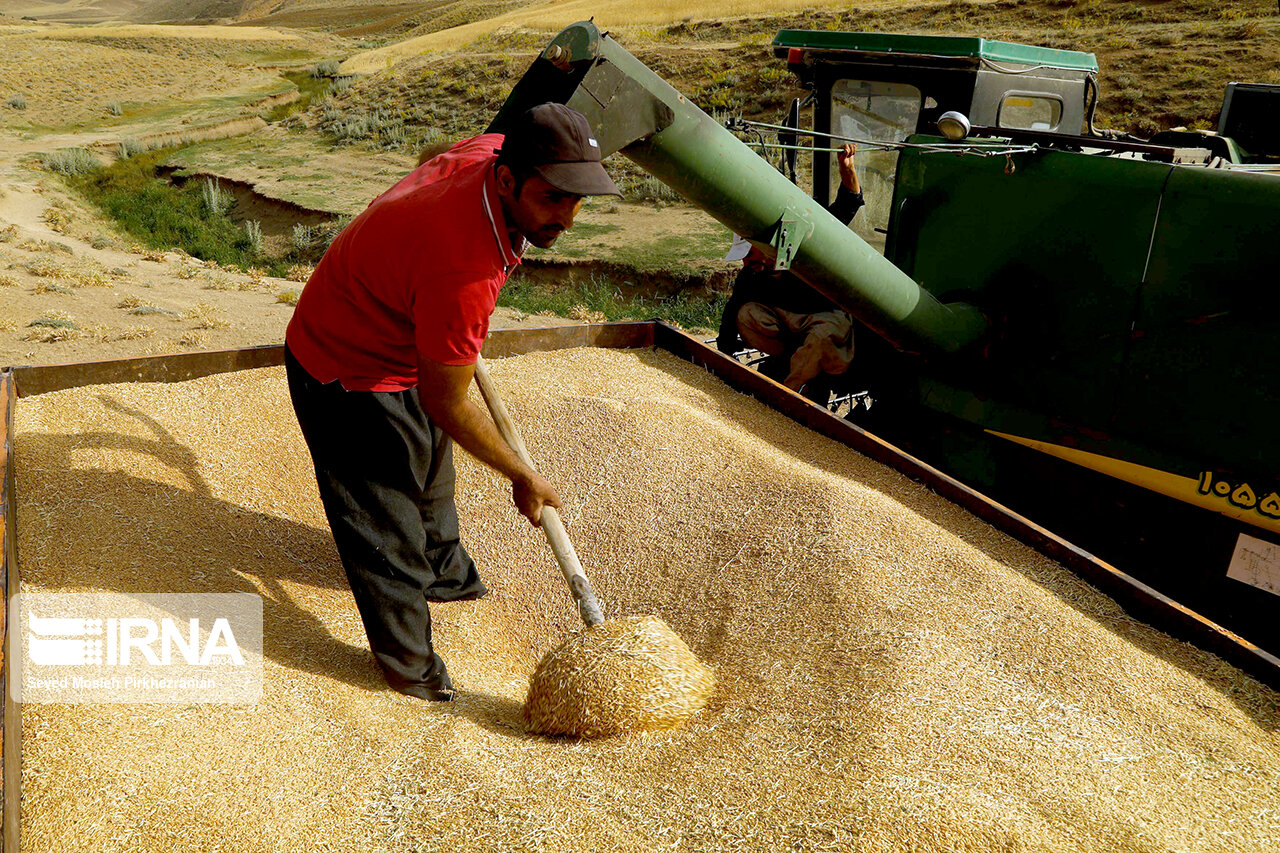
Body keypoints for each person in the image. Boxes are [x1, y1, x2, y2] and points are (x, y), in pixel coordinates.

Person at [284, 103, 621, 701]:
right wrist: (523, 473)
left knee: (433, 468)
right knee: (383, 517)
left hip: (405, 332)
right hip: (345, 366)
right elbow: (447, 402)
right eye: (552, 198)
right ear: (508, 178)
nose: (565, 218)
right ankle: (410, 668)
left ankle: (445, 573)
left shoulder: (488, 152)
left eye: (576, 201)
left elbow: (437, 157)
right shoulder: (463, 268)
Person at [717, 143, 864, 401]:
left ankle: (785, 394)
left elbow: (846, 206)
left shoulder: (802, 249)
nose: (746, 262)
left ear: (764, 246)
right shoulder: (752, 274)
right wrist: (722, 359)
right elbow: (732, 314)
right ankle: (792, 363)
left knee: (823, 334)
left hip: (825, 322)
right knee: (746, 314)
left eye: (749, 253)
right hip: (792, 338)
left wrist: (847, 169)